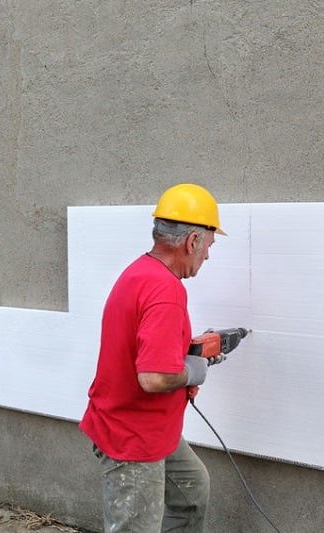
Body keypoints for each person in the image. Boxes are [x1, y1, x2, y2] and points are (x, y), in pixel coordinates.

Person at [79, 183, 227, 532]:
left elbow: (144, 344)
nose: (207, 255)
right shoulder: (165, 290)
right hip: (133, 436)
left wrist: (186, 353)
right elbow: (154, 377)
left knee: (191, 489)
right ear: (192, 242)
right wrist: (192, 371)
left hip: (149, 425)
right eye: (209, 246)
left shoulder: (140, 273)